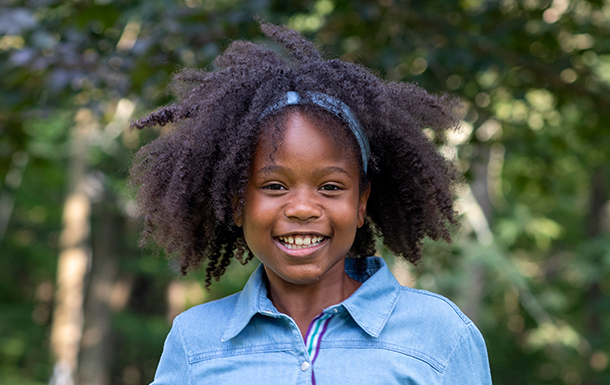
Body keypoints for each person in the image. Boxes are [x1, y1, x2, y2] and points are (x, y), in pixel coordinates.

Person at [129, 22, 492, 384]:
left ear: (361, 203)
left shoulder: (439, 335)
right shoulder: (195, 341)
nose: (303, 208)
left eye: (331, 187)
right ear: (237, 204)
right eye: (274, 185)